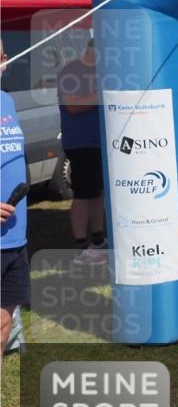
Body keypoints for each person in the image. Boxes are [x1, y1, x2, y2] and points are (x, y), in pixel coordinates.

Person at [0, 39, 38, 407]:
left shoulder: (6, 99)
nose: (5, 60)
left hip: (15, 239)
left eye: (4, 54)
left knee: (3, 331)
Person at [56, 40, 107, 266]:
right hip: (81, 142)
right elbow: (72, 105)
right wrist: (102, 94)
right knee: (84, 195)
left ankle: (98, 241)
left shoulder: (100, 71)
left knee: (96, 193)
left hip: (99, 142)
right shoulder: (71, 71)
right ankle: (81, 248)